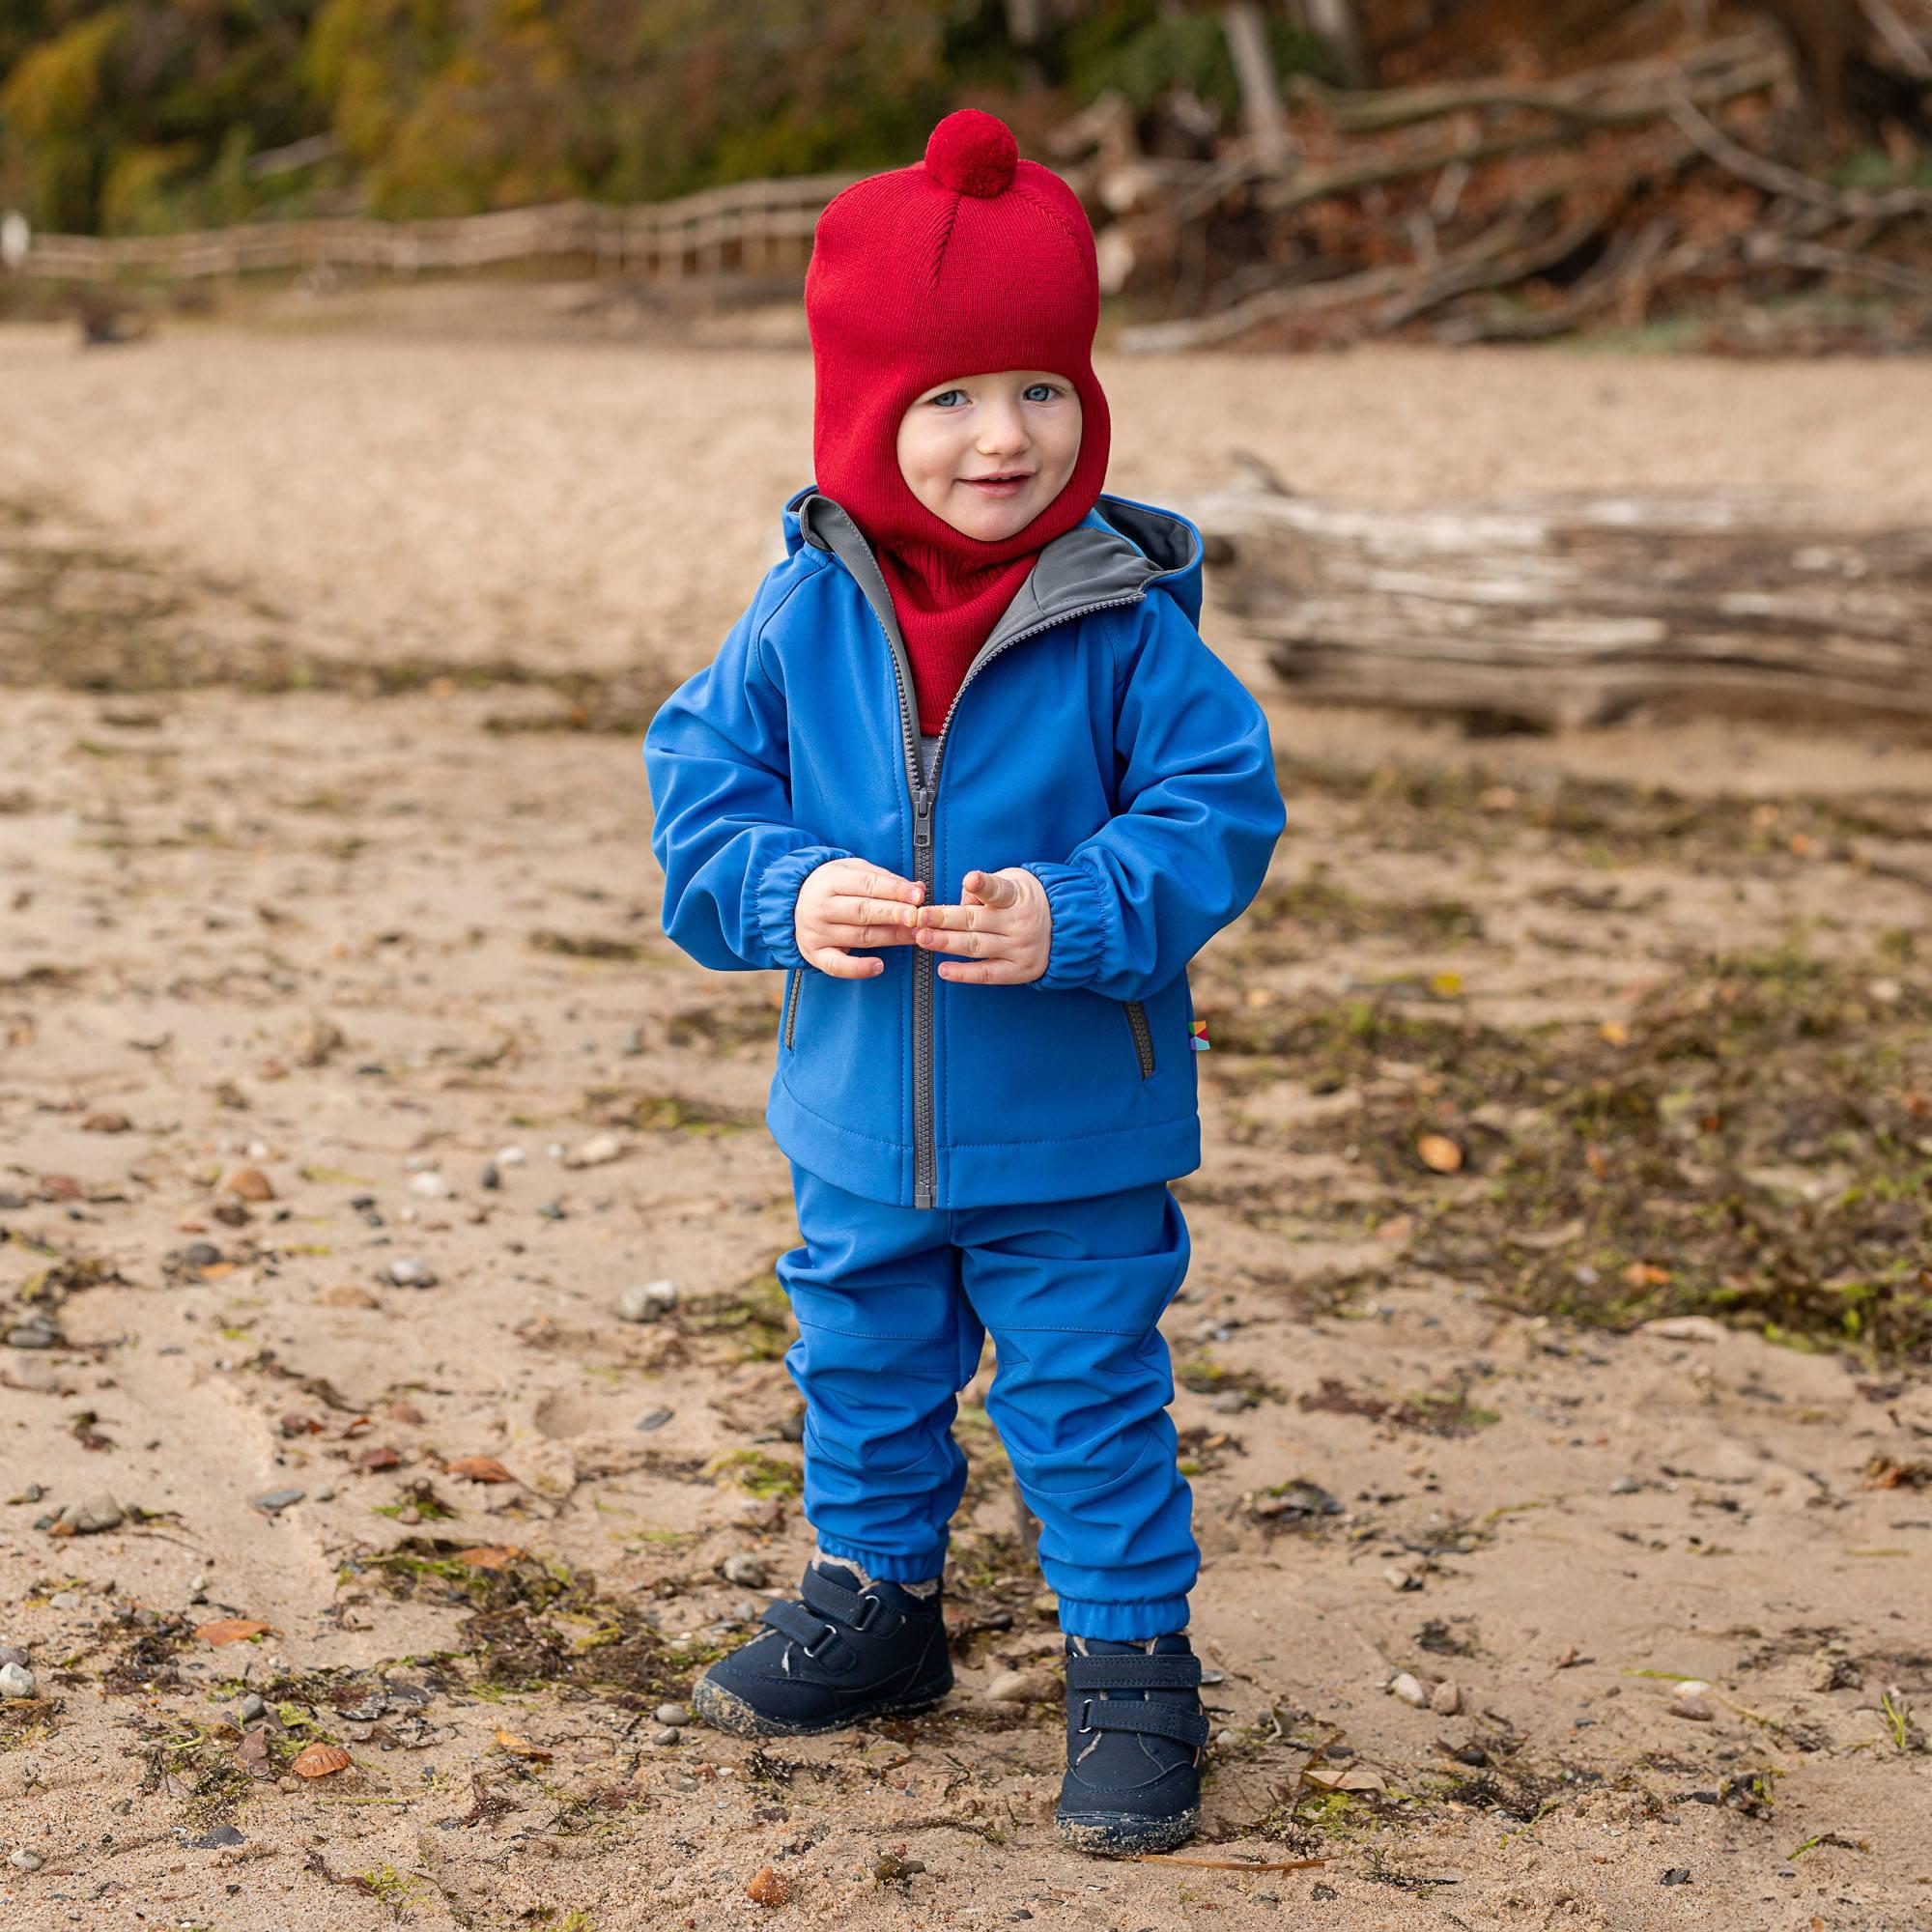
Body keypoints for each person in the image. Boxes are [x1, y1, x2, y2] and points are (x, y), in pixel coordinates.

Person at [642, 106, 1285, 1856]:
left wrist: (1081, 914)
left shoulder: (1127, 621)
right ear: (866, 411)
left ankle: (1132, 1668)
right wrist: (787, 889)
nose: (1001, 438)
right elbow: (698, 806)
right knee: (860, 1360)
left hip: (1073, 1124)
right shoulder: (800, 612)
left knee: (1083, 1395)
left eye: (1041, 389)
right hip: (857, 1114)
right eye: (944, 398)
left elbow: (1221, 811)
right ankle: (881, 1607)